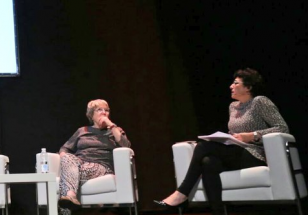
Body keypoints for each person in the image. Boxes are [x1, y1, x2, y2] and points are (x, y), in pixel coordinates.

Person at [155, 68, 290, 215]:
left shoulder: (260, 102)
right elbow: (234, 132)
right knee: (208, 161)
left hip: (255, 154)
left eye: (235, 83)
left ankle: (182, 192)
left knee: (202, 147)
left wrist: (253, 135)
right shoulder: (232, 107)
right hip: (236, 151)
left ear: (248, 87)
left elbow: (282, 128)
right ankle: (217, 211)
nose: (231, 86)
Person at [56, 99, 131, 214]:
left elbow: (125, 145)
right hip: (79, 163)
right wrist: (66, 160)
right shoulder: (82, 130)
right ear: (91, 114)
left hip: (102, 166)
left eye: (106, 110)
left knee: (67, 176)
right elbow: (65, 149)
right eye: (99, 110)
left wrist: (110, 124)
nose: (104, 112)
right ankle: (70, 196)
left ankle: (69, 198)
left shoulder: (114, 131)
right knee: (67, 158)